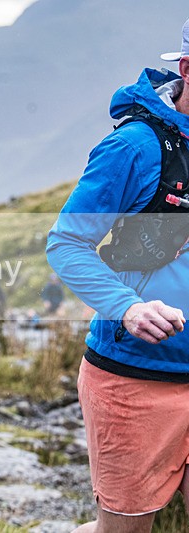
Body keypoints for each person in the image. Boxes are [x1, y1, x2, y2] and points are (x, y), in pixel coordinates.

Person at [47, 19, 189, 533]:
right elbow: (66, 243)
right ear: (187, 69)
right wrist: (127, 307)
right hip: (135, 377)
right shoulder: (135, 147)